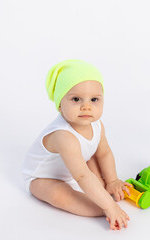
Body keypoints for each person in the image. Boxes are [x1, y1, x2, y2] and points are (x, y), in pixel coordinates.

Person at [22, 59, 131, 230]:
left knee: (96, 161)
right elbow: (82, 176)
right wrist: (109, 206)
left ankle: (103, 192)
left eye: (94, 99)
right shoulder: (63, 135)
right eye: (76, 99)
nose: (86, 107)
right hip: (43, 177)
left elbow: (104, 153)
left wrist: (112, 180)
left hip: (76, 164)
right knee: (59, 195)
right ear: (59, 105)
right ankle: (101, 208)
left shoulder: (96, 124)